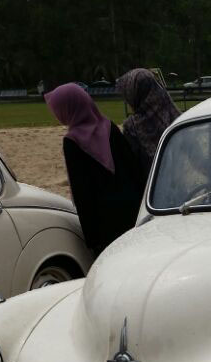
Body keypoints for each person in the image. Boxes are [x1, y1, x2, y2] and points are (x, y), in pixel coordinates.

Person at [45, 83, 143, 255]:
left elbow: (82, 193)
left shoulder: (72, 141)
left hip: (104, 223)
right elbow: (133, 168)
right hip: (133, 210)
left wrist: (91, 239)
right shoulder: (109, 126)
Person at [117, 68, 180, 179]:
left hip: (149, 190)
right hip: (178, 184)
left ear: (134, 94)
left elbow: (130, 168)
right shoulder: (175, 116)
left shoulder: (132, 128)